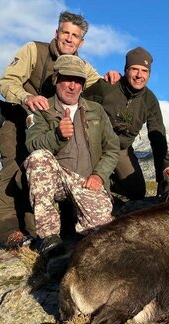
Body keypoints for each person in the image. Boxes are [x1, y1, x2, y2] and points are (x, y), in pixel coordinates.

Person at [0, 11, 120, 248]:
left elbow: (99, 87)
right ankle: (9, 229)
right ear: (57, 33)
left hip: (53, 122)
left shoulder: (81, 66)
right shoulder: (34, 50)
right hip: (20, 114)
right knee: (15, 169)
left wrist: (114, 79)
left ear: (81, 42)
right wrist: (26, 97)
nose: (69, 39)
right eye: (66, 33)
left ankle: (41, 225)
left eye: (75, 36)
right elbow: (7, 82)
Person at [24, 54, 120, 259]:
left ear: (83, 85)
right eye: (67, 79)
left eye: (78, 81)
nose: (72, 86)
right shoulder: (41, 109)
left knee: (103, 236)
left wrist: (100, 175)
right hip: (57, 179)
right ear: (56, 80)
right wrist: (57, 136)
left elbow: (112, 148)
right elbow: (32, 144)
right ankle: (49, 237)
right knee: (38, 157)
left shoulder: (96, 110)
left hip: (87, 182)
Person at [83, 46, 167, 200]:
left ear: (149, 75)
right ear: (126, 70)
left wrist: (162, 180)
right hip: (94, 144)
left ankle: (106, 183)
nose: (139, 75)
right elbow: (78, 104)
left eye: (144, 71)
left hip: (121, 149)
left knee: (137, 191)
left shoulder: (150, 101)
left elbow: (158, 140)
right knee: (86, 180)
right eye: (134, 69)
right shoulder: (107, 87)